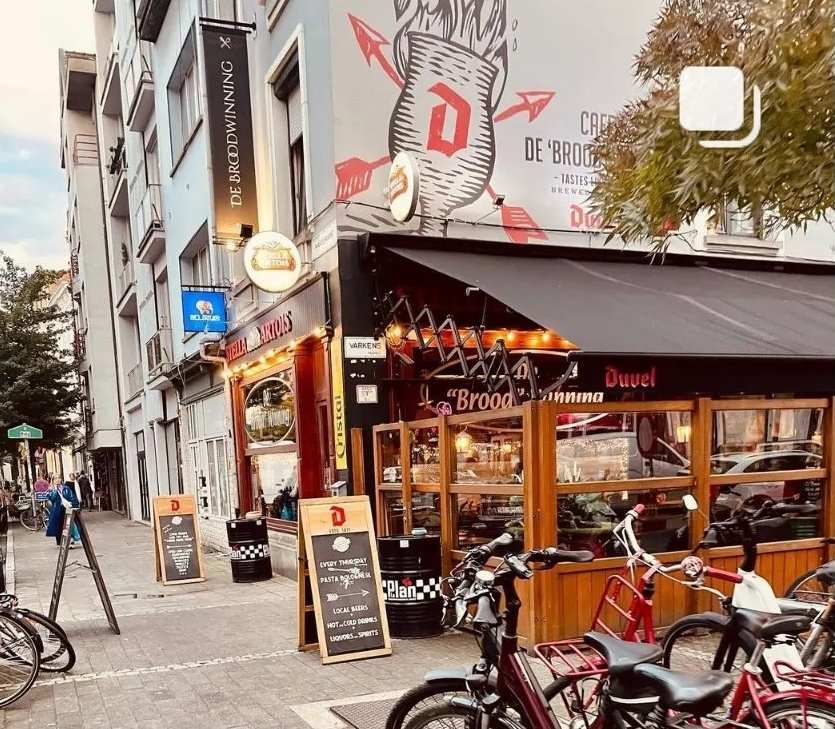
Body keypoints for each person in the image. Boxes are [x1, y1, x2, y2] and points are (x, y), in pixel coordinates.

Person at [45, 476, 81, 547]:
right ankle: (59, 542)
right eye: (55, 478)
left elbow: (72, 497)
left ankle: (69, 541)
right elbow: (52, 499)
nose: (57, 480)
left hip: (66, 509)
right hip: (56, 510)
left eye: (59, 478)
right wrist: (55, 490)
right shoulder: (51, 490)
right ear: (53, 480)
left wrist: (73, 504)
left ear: (61, 479)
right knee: (58, 526)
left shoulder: (66, 488)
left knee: (67, 525)